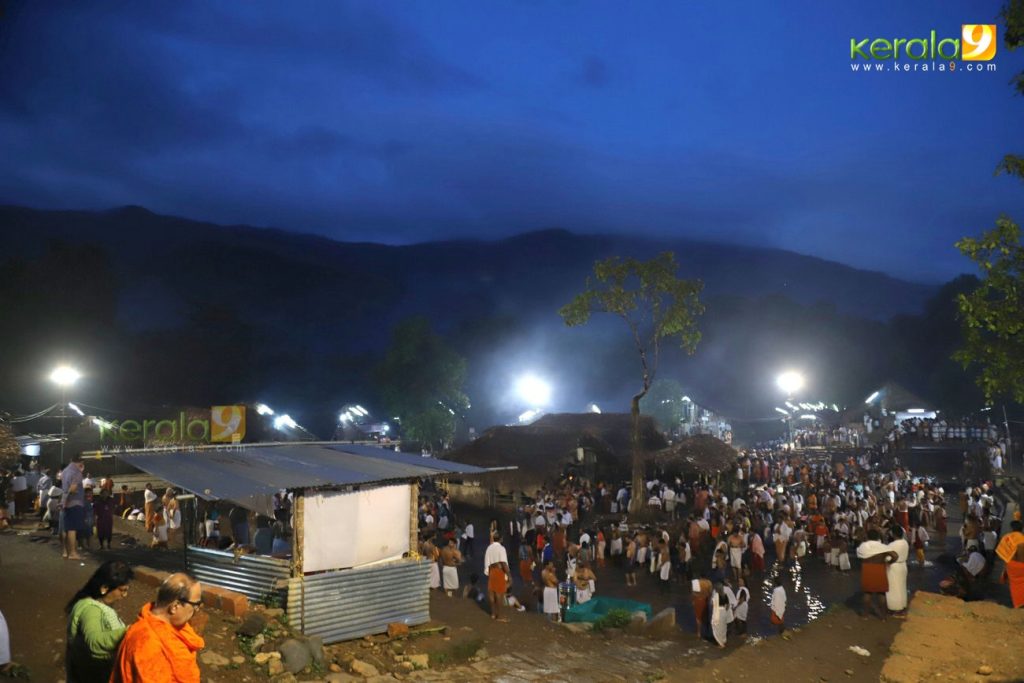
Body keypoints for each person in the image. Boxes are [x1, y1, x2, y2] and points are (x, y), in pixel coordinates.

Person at [111, 573, 205, 683]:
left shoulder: (171, 627)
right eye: (196, 604)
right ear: (175, 606)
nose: (197, 609)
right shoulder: (146, 644)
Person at [65, 561, 134, 682]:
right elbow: (95, 642)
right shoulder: (91, 610)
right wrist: (130, 631)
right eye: (122, 590)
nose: (125, 595)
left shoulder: (95, 604)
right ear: (104, 588)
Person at [857, 529, 896, 619]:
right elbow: (895, 556)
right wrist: (889, 562)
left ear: (868, 536)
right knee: (881, 593)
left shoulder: (863, 546)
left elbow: (859, 555)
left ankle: (865, 615)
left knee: (867, 593)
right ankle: (883, 616)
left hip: (867, 569)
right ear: (878, 537)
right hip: (879, 569)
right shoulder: (882, 546)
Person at [60, 455, 87, 560]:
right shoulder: (76, 472)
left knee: (66, 528)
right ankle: (73, 553)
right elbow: (73, 489)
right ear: (81, 462)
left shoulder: (65, 471)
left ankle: (65, 552)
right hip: (75, 502)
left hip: (65, 503)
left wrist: (64, 500)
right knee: (72, 529)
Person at [483, 532, 511, 622]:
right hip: (499, 571)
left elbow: (487, 562)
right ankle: (499, 615)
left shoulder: (489, 548)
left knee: (492, 592)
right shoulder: (501, 548)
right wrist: (509, 576)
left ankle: (493, 614)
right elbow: (503, 563)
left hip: (491, 570)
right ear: (501, 539)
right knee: (499, 593)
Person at [885, 525, 910, 615]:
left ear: (893, 534)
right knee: (902, 587)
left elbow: (887, 557)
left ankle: (895, 608)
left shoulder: (892, 545)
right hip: (903, 565)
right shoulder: (905, 542)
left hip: (894, 567)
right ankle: (902, 606)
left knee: (893, 588)